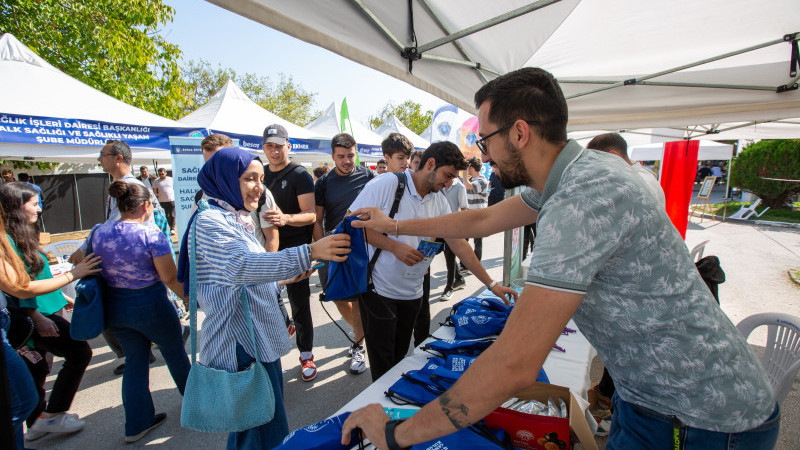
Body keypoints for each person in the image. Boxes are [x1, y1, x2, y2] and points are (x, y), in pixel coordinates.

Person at [344, 67, 779, 450]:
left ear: (518, 133)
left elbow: (515, 364)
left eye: (485, 139)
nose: (485, 154)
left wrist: (397, 434)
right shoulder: (572, 174)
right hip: (650, 399)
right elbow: (480, 221)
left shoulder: (580, 197)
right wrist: (396, 226)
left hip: (702, 418)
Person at [176, 147, 350, 449]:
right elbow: (240, 267)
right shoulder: (209, 221)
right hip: (243, 342)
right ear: (227, 179)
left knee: (253, 426)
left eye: (261, 178)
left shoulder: (230, 216)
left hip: (253, 337)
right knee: (262, 431)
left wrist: (291, 273)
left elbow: (239, 274)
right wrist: (309, 251)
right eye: (249, 178)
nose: (260, 186)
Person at [348, 141, 518, 382]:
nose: (449, 183)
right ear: (430, 164)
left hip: (413, 293)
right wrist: (394, 247)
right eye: (447, 175)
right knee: (383, 366)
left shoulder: (438, 200)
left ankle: (390, 405)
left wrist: (491, 284)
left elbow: (459, 243)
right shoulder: (388, 183)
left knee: (397, 360)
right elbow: (351, 224)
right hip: (379, 290)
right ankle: (379, 413)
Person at [85, 181, 190, 443]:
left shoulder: (98, 232)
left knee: (135, 362)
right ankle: (196, 408)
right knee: (175, 353)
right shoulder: (150, 235)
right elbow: (168, 276)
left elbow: (79, 259)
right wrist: (190, 300)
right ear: (146, 205)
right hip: (151, 305)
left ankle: (136, 424)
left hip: (116, 308)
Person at [0, 182, 100, 442]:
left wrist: (61, 297)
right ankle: (50, 417)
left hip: (43, 310)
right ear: (15, 207)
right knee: (79, 352)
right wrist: (37, 316)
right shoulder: (7, 242)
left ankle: (37, 422)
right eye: (34, 203)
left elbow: (38, 275)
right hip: (34, 315)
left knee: (37, 368)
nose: (40, 209)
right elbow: (19, 287)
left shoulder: (21, 235)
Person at [69, 140, 163, 375]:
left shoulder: (130, 187)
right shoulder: (119, 186)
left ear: (118, 158)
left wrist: (85, 248)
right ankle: (141, 352)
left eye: (103, 155)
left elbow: (113, 226)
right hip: (129, 270)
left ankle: (142, 351)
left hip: (131, 269)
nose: (99, 159)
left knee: (121, 318)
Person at [260, 124, 319, 382]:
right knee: (267, 304)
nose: (274, 151)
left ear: (288, 146)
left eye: (278, 146)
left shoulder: (299, 174)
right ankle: (274, 353)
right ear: (263, 148)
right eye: (269, 146)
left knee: (300, 306)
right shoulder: (258, 174)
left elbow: (311, 215)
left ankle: (306, 355)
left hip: (296, 251)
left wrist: (285, 218)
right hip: (266, 251)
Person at [313, 133, 374, 375]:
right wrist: (321, 248)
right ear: (333, 156)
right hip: (332, 245)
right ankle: (362, 333)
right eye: (341, 156)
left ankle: (359, 344)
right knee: (337, 297)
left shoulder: (369, 176)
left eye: (351, 155)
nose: (347, 161)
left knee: (358, 299)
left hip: (361, 246)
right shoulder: (323, 183)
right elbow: (317, 220)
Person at [587, 132, 666, 209]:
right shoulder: (633, 176)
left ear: (613, 156)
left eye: (597, 160)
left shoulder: (641, 182)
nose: (596, 166)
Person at [438, 176, 467, 301]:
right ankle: (459, 279)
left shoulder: (460, 188)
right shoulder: (439, 186)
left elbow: (464, 208)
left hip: (452, 228)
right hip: (437, 226)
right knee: (439, 253)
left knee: (450, 257)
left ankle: (449, 288)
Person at [459, 157, 488, 272]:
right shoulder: (472, 179)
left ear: (471, 167)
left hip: (478, 215)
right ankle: (464, 265)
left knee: (477, 242)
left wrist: (464, 170)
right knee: (464, 241)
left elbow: (467, 185)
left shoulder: (482, 181)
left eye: (468, 167)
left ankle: (475, 266)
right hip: (468, 215)